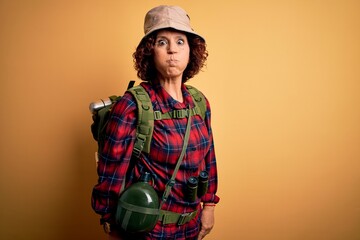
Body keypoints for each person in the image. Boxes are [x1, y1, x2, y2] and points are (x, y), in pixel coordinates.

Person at [91, 5, 220, 240]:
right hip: (148, 231)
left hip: (190, 228)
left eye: (180, 41)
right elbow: (111, 174)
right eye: (162, 42)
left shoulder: (199, 102)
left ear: (191, 50)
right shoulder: (133, 106)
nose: (172, 49)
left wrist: (209, 205)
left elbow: (208, 157)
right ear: (150, 51)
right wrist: (111, 222)